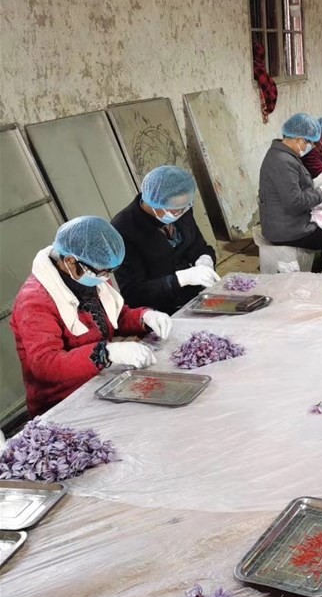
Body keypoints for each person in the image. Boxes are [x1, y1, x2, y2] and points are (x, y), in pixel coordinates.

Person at [11, 217, 170, 417]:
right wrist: (105, 353)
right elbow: (46, 364)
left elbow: (116, 317)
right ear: (70, 261)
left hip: (102, 381)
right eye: (102, 272)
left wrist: (145, 317)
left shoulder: (90, 276)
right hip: (63, 402)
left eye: (109, 272)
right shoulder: (34, 301)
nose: (106, 278)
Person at [111, 166, 218, 316]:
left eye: (185, 208)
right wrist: (181, 279)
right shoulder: (123, 229)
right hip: (160, 311)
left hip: (195, 298)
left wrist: (205, 259)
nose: (180, 213)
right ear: (154, 204)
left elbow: (198, 246)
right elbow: (133, 293)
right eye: (175, 211)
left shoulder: (182, 211)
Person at [258, 113, 322, 270]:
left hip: (288, 221)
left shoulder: (284, 155)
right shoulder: (282, 161)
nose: (310, 147)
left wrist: (314, 183)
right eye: (309, 142)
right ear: (299, 139)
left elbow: (292, 187)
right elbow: (295, 201)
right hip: (285, 230)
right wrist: (320, 193)